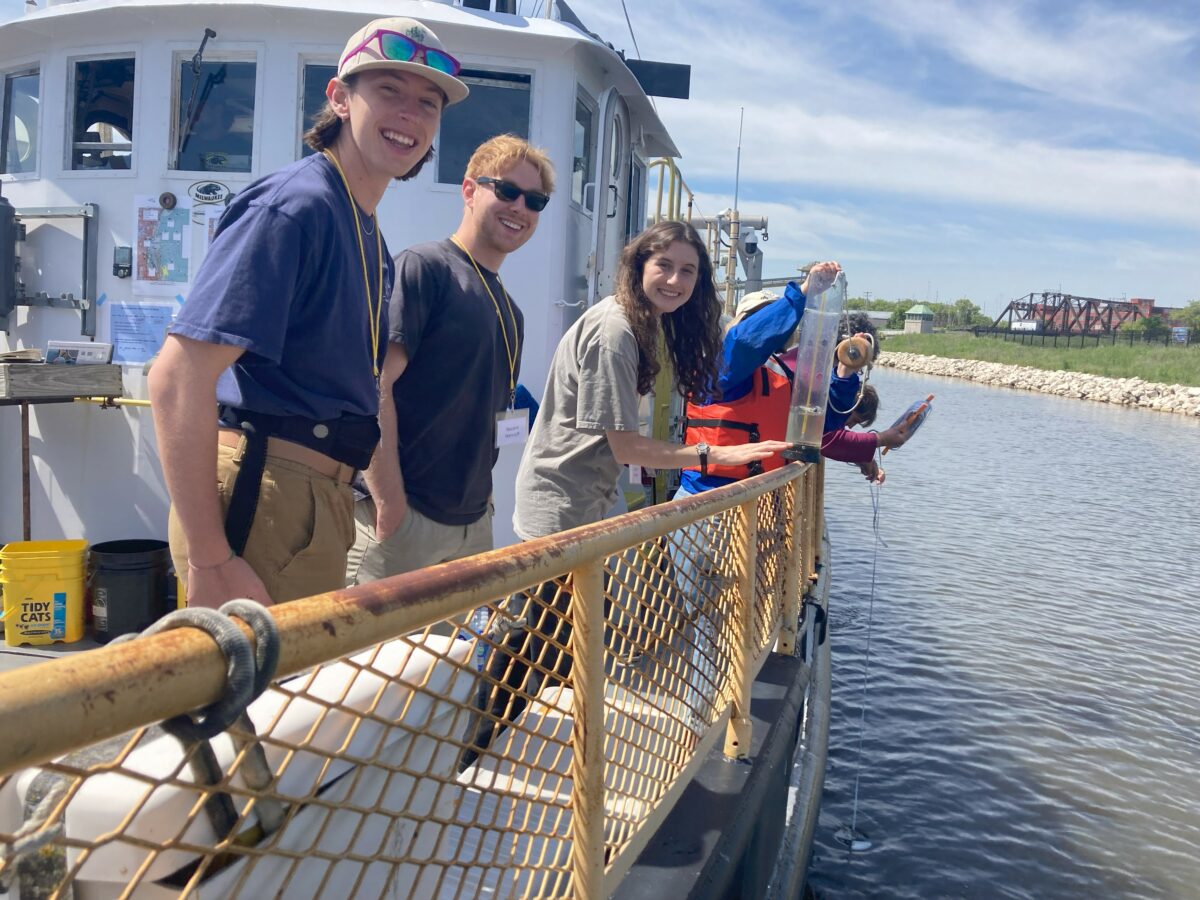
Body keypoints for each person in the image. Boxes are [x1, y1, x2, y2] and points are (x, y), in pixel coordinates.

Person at [149, 16, 469, 609]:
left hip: (314, 501)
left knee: (285, 699)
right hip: (264, 498)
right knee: (250, 699)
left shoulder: (364, 229)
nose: (411, 114)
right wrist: (211, 558)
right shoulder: (296, 208)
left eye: (429, 103)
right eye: (389, 91)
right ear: (340, 98)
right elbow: (176, 377)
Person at [461, 220, 790, 764]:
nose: (675, 280)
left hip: (586, 504)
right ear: (638, 266)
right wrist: (716, 455)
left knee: (568, 639)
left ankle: (502, 748)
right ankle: (472, 753)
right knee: (537, 640)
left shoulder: (643, 326)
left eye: (688, 271)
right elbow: (627, 448)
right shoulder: (616, 331)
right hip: (561, 507)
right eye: (664, 266)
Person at [346, 135, 555, 583]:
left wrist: (485, 507)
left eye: (535, 200)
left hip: (471, 527)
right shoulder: (425, 268)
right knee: (370, 655)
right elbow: (373, 386)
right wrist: (389, 503)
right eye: (506, 191)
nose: (520, 207)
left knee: (445, 656)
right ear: (469, 190)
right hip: (403, 525)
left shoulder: (510, 310)